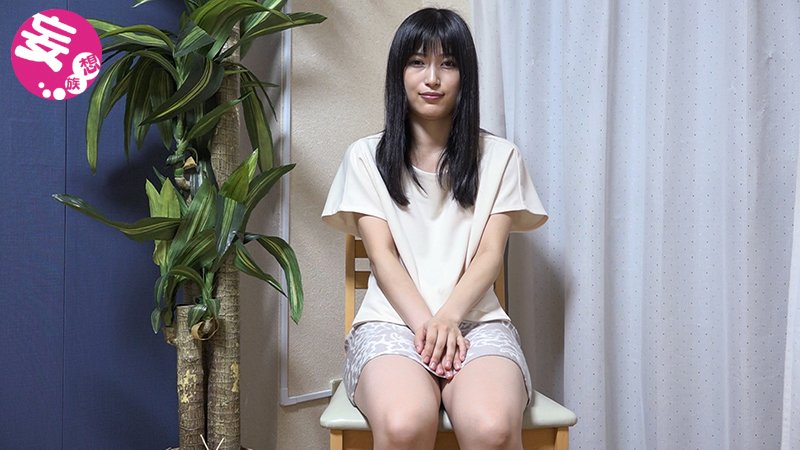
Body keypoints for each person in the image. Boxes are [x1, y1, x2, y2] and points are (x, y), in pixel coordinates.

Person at [321, 8, 547, 450]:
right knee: (405, 424)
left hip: (477, 322)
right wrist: (429, 326)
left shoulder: (501, 158)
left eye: (448, 64)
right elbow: (382, 255)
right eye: (417, 62)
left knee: (492, 429)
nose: (432, 78)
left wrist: (448, 318)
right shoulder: (365, 157)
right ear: (399, 72)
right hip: (390, 322)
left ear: (466, 76)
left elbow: (489, 255)